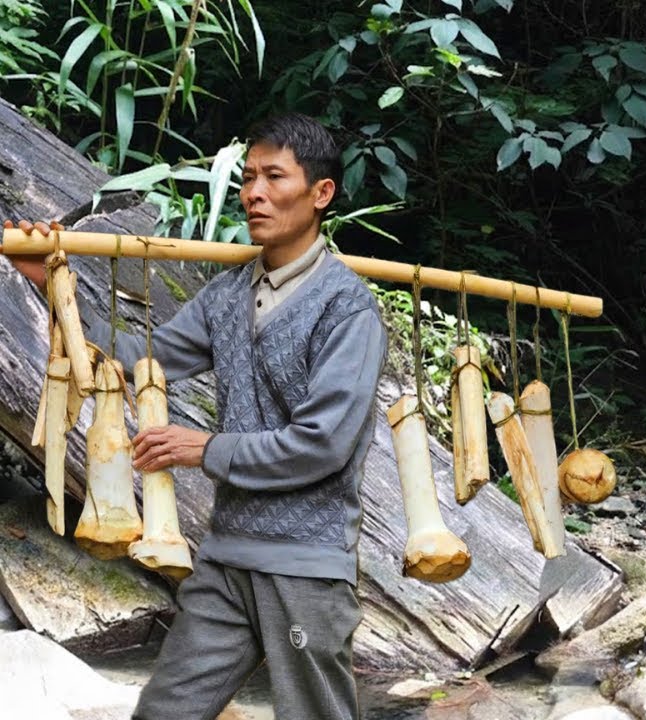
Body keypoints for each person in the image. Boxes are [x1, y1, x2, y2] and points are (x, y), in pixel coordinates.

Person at [3, 113, 387, 720]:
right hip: (227, 559)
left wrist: (202, 447)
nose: (254, 193)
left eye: (273, 177)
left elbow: (323, 444)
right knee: (163, 712)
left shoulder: (347, 309)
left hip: (305, 569)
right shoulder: (229, 294)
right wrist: (51, 286)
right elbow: (132, 359)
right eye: (249, 177)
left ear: (321, 194)